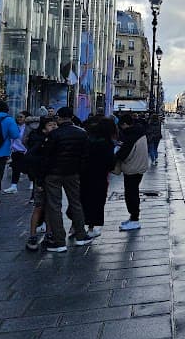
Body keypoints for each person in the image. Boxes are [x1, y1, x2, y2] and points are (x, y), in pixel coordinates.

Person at [41, 107, 93, 252]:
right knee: (76, 203)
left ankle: (59, 241)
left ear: (59, 117)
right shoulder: (82, 133)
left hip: (53, 173)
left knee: (54, 206)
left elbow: (47, 156)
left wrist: (41, 176)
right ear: (71, 117)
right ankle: (80, 235)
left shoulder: (54, 134)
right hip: (73, 173)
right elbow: (85, 156)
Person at [23, 116, 57, 251]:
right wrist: (37, 178)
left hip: (52, 179)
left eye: (55, 124)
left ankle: (49, 233)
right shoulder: (41, 142)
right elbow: (30, 158)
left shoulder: (54, 140)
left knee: (49, 207)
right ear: (43, 129)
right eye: (50, 125)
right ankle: (32, 235)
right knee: (39, 207)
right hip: (41, 180)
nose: (54, 127)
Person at [81, 117, 117, 238]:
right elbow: (110, 163)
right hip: (100, 175)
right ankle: (91, 228)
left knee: (82, 199)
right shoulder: (107, 143)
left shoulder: (88, 138)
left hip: (84, 173)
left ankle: (75, 226)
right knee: (96, 201)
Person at [115, 114, 148, 231]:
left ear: (125, 124)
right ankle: (133, 217)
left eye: (121, 126)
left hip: (132, 168)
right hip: (139, 166)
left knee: (131, 194)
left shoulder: (131, 135)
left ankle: (134, 219)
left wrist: (116, 153)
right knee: (133, 192)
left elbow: (123, 154)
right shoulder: (139, 131)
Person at [3, 110, 30, 194]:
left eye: (21, 117)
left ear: (26, 118)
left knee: (28, 169)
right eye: (18, 117)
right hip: (15, 151)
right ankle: (13, 186)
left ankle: (33, 182)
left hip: (25, 151)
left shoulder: (28, 127)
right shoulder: (14, 126)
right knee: (15, 169)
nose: (19, 118)